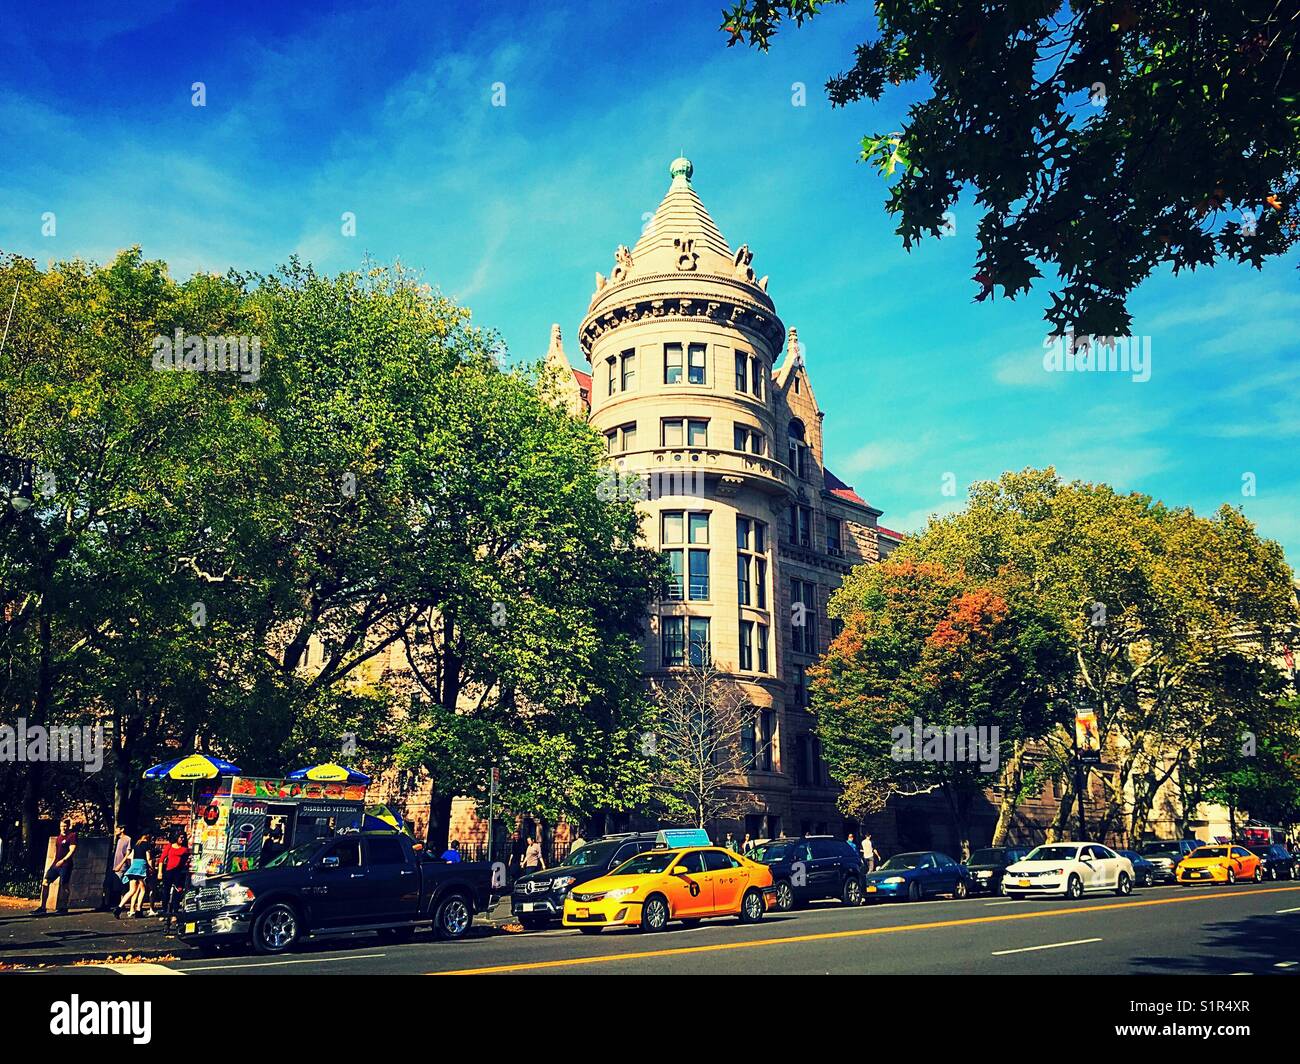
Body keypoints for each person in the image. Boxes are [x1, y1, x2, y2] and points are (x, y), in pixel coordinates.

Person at [31, 818, 78, 916]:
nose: (63, 828)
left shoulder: (72, 836)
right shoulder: (59, 837)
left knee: (64, 885)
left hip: (65, 865)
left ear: (68, 826)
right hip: (55, 865)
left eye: (65, 826)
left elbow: (72, 850)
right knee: (45, 882)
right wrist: (54, 862)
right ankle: (43, 907)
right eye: (61, 826)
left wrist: (63, 860)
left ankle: (64, 907)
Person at [159, 830, 190, 930]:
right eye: (180, 837)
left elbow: (186, 861)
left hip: (179, 872)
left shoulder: (185, 849)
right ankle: (165, 911)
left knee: (177, 893)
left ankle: (174, 913)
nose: (182, 839)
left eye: (183, 838)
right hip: (169, 871)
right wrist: (160, 872)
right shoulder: (170, 846)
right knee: (166, 892)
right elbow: (162, 859)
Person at [119, 833, 153, 919]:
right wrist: (151, 867)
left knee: (132, 890)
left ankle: (118, 908)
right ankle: (138, 910)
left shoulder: (136, 844)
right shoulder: (147, 844)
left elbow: (131, 857)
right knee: (143, 889)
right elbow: (148, 858)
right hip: (141, 868)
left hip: (133, 867)